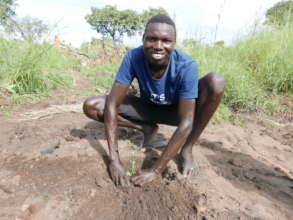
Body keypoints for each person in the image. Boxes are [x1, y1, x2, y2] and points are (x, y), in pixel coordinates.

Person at [83, 14, 225, 186]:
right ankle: (146, 128)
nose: (158, 46)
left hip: (176, 113)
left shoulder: (186, 65)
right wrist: (114, 160)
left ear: (174, 43)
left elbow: (187, 121)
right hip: (147, 108)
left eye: (166, 41)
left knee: (216, 82)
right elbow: (112, 104)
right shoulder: (133, 57)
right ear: (143, 39)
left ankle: (187, 149)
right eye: (151, 39)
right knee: (92, 106)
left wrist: (155, 170)